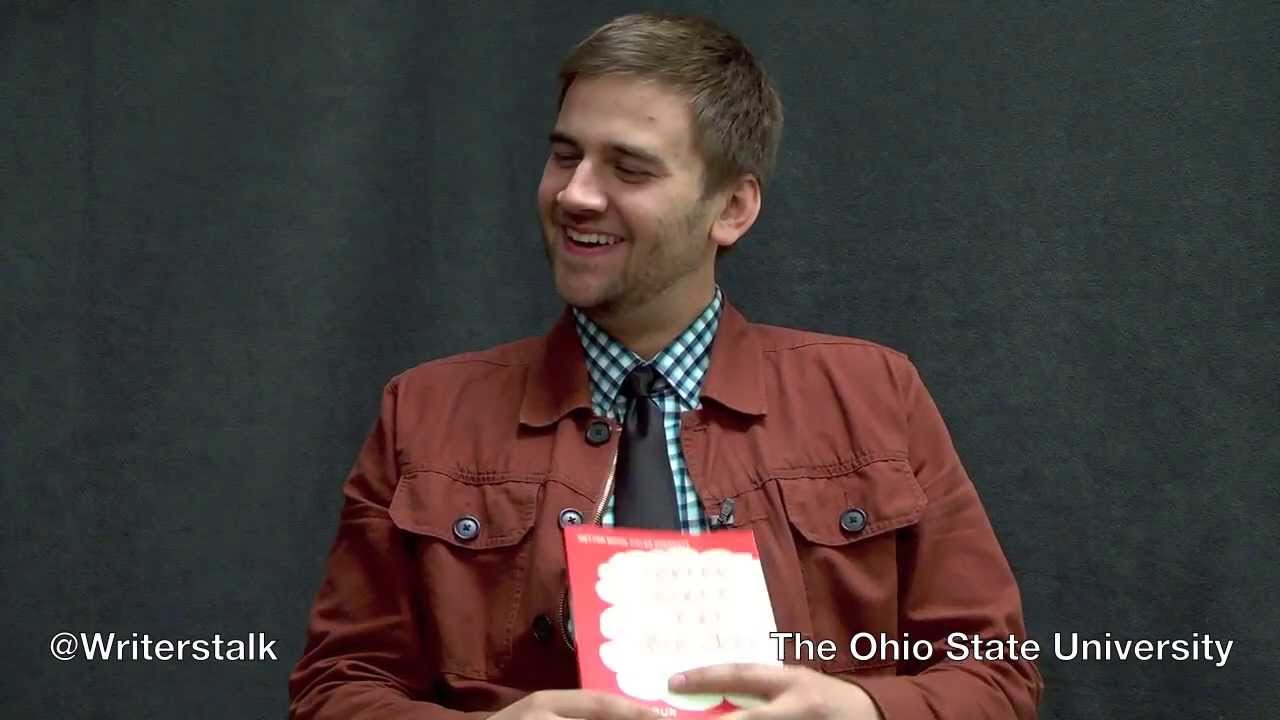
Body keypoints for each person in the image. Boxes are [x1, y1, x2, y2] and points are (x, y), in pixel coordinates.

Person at [289, 12, 1043, 720]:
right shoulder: (423, 411)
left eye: (630, 169)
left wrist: (860, 709)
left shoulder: (875, 394)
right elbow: (335, 687)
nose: (576, 195)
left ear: (732, 209)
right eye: (564, 156)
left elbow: (997, 674)